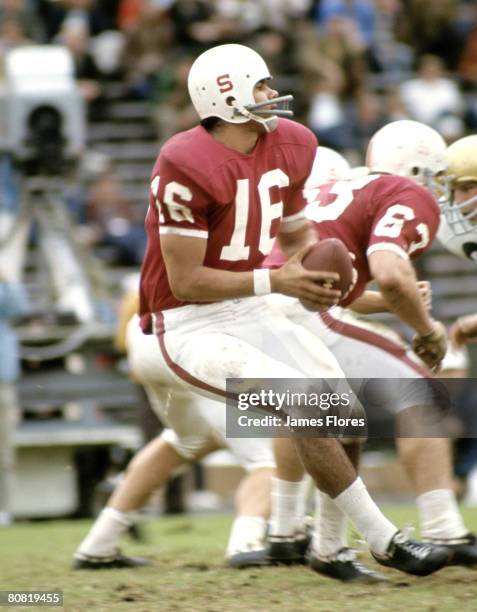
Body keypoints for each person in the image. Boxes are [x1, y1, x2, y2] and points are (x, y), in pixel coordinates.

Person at [264, 121, 477, 579]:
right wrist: (427, 329)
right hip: (298, 308)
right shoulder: (406, 193)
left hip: (270, 305)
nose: (440, 191)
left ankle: (330, 548)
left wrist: (393, 303)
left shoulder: (345, 185)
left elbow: (346, 290)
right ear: (420, 170)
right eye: (440, 179)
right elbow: (392, 274)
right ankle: (445, 530)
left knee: (345, 419)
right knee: (421, 390)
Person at [74, 302, 282, 569]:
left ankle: (99, 543)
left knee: (186, 440)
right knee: (271, 457)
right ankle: (246, 544)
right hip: (197, 339)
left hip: (148, 334)